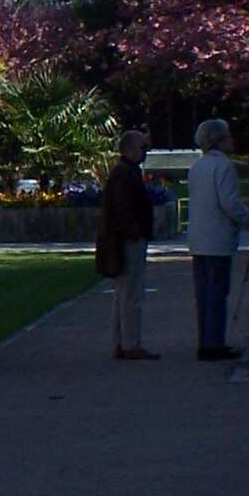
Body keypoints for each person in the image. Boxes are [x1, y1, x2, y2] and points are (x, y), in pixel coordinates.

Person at [186, 119, 249, 361]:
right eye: (227, 136)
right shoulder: (223, 166)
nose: (231, 140)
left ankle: (206, 341)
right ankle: (213, 344)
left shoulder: (197, 166)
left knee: (204, 293)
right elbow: (230, 204)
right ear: (218, 140)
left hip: (198, 238)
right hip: (217, 239)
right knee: (217, 292)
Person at [96, 129, 158, 361]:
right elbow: (122, 209)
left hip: (125, 239)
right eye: (142, 147)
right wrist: (134, 233)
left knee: (123, 295)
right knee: (131, 294)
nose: (145, 152)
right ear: (130, 148)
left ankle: (122, 343)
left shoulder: (126, 172)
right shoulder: (125, 174)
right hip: (127, 241)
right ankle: (131, 344)